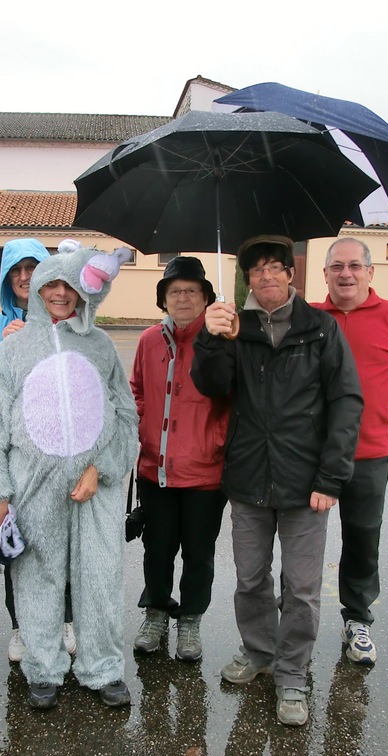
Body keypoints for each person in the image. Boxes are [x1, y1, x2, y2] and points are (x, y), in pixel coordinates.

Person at [191, 235, 363, 727]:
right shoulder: (234, 328)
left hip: (307, 484)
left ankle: (292, 673)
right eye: (256, 270)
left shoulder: (321, 329)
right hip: (247, 478)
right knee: (250, 580)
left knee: (303, 587)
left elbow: (346, 402)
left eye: (275, 268)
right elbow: (212, 386)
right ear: (247, 279)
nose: (266, 277)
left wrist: (332, 477)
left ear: (291, 274)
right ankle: (259, 651)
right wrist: (210, 336)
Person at [0, 243, 138, 711]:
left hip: (95, 489)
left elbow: (126, 416)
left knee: (100, 579)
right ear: (37, 289)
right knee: (38, 579)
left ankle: (102, 667)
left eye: (69, 285)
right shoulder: (16, 348)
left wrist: (101, 468)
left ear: (85, 292)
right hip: (34, 487)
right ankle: (43, 669)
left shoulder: (101, 345)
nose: (60, 294)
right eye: (51, 285)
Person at [314, 237, 388, 665]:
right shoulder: (310, 319)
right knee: (301, 540)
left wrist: (381, 406)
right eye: (337, 266)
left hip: (368, 453)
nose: (346, 274)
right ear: (324, 273)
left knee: (363, 537)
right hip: (312, 456)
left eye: (354, 266)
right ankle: (295, 616)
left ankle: (357, 619)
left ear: (370, 272)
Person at [0, 237, 76, 663]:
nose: (24, 277)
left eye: (32, 269)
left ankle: (65, 620)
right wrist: (7, 350)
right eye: (16, 270)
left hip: (62, 457)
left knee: (63, 544)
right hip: (20, 462)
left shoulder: (64, 318)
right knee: (18, 548)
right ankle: (21, 627)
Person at [129, 256, 229, 661]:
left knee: (199, 553)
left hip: (206, 473)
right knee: (157, 549)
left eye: (192, 290)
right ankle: (155, 610)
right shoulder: (150, 341)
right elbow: (136, 391)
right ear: (164, 299)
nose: (183, 298)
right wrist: (143, 429)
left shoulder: (223, 338)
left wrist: (216, 440)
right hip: (156, 471)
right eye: (175, 291)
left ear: (206, 296)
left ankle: (190, 619)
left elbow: (233, 399)